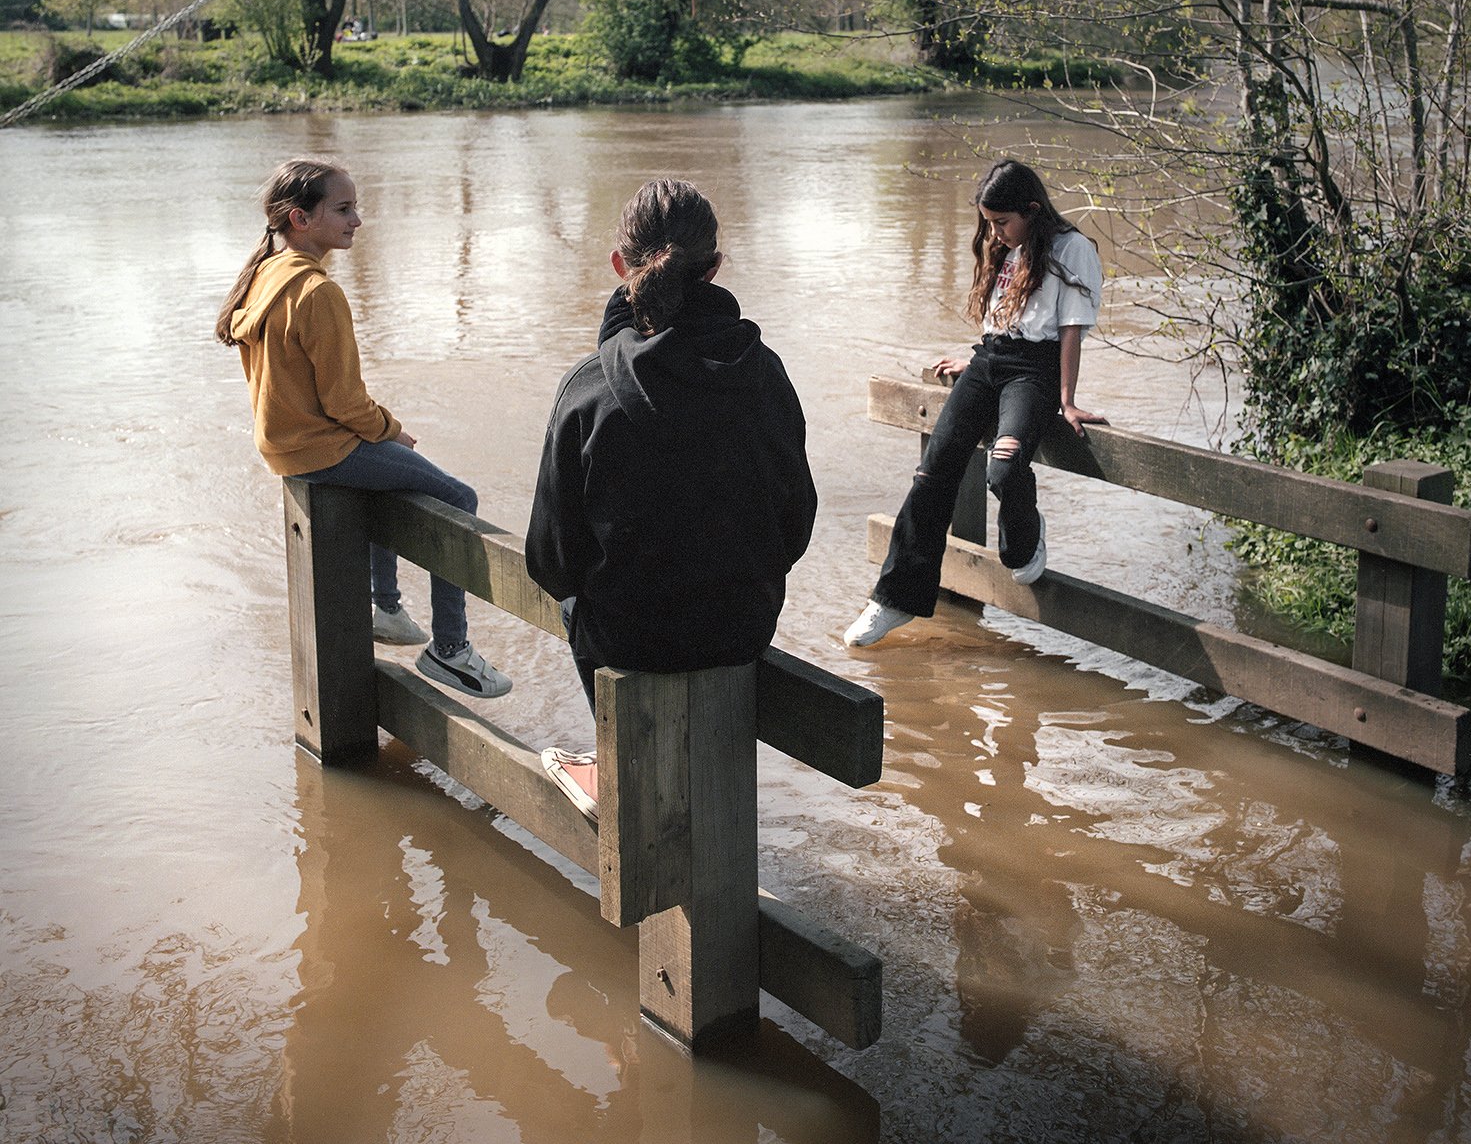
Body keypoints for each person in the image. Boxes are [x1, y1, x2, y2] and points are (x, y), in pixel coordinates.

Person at [526, 178, 817, 818]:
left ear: (618, 265)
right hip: (741, 626)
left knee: (581, 603)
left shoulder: (587, 388)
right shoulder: (766, 374)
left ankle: (617, 771)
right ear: (714, 268)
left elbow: (549, 560)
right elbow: (797, 523)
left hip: (630, 641)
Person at [216, 158, 512, 699]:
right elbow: (345, 401)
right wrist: (391, 429)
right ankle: (450, 650)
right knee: (458, 496)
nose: (357, 220)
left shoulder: (265, 274)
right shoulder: (318, 292)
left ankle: (387, 607)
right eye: (344, 209)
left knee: (392, 479)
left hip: (283, 446)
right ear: (299, 219)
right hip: (321, 447)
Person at [843, 158, 1105, 649]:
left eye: (1002, 222)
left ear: (1031, 210)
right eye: (989, 223)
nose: (995, 233)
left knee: (1003, 468)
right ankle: (894, 599)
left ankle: (1024, 539)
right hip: (990, 360)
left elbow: (1070, 331)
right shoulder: (1004, 245)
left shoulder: (1072, 250)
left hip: (1035, 371)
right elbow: (1004, 316)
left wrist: (1067, 401)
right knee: (932, 471)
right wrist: (975, 358)